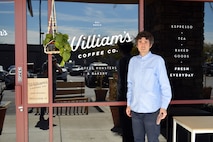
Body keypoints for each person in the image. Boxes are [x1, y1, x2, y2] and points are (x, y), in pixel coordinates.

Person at [126, 31, 172, 142]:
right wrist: (129, 104)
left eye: (145, 42)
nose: (142, 45)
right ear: (136, 45)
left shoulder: (157, 61)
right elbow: (130, 85)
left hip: (152, 111)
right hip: (136, 110)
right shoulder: (133, 61)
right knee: (137, 139)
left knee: (152, 139)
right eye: (140, 42)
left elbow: (165, 85)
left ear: (150, 44)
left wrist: (164, 107)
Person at [117, 40, 134, 142]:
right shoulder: (133, 60)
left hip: (124, 96)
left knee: (125, 124)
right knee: (132, 125)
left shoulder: (122, 61)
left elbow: (122, 80)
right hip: (132, 96)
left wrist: (121, 95)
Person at [40, 55, 62, 120]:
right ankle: (42, 114)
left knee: (52, 99)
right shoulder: (45, 65)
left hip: (53, 83)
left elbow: (60, 71)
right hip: (46, 83)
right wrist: (48, 66)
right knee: (45, 99)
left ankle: (50, 113)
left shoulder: (55, 65)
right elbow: (44, 74)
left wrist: (55, 65)